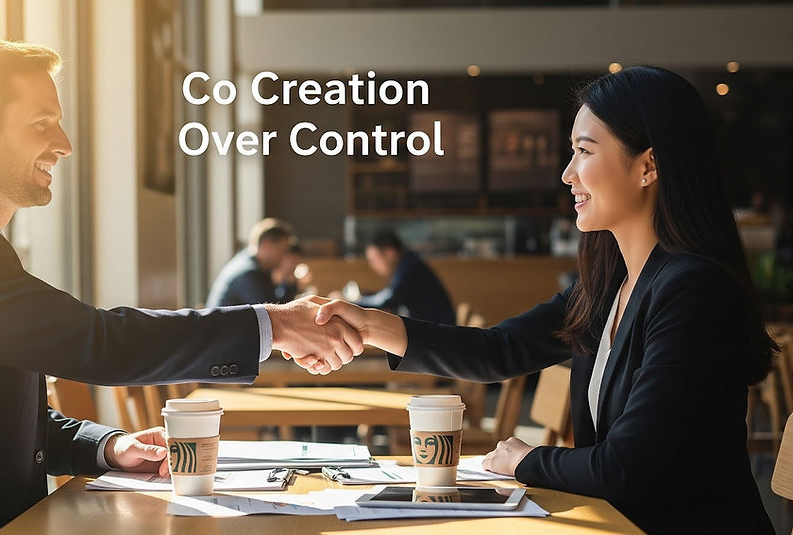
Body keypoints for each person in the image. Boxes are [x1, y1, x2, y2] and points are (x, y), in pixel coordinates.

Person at [0, 38, 362, 534]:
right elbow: (97, 342)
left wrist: (109, 446)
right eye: (41, 123)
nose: (65, 144)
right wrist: (273, 324)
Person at [296, 67, 776, 533]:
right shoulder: (607, 284)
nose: (568, 174)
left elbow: (624, 468)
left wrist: (525, 459)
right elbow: (498, 350)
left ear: (648, 166)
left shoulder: (694, 291)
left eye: (584, 152)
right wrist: (369, 325)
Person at [347, 229, 455, 325]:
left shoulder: (409, 268)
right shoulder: (407, 263)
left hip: (438, 334)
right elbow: (387, 296)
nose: (373, 266)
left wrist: (348, 303)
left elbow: (386, 302)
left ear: (390, 253)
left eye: (374, 260)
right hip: (433, 330)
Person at [205, 218, 298, 307]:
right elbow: (273, 313)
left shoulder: (248, 262)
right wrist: (287, 280)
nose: (284, 256)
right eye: (281, 250)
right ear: (267, 245)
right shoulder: (249, 273)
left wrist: (288, 281)